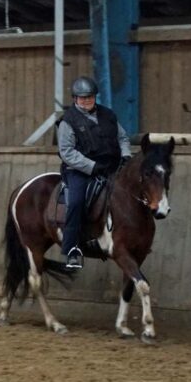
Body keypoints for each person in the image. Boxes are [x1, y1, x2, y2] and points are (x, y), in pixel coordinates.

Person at [57, 76, 132, 269]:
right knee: (76, 203)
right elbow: (67, 152)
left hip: (110, 166)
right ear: (75, 99)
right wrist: (91, 166)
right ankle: (72, 249)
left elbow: (122, 138)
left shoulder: (108, 115)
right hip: (80, 170)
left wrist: (125, 155)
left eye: (89, 97)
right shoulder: (68, 121)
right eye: (82, 98)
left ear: (94, 97)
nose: (86, 100)